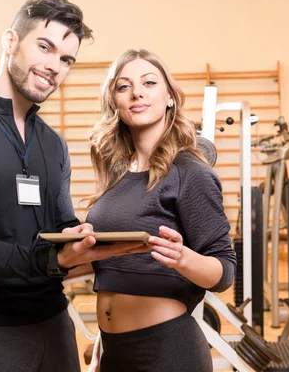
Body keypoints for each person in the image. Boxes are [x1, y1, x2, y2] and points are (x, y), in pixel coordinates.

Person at [0, 0, 146, 372]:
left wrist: (88, 239)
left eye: (67, 59)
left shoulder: (53, 144)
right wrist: (50, 258)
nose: (54, 66)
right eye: (45, 47)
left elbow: (61, 223)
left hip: (54, 326)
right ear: (10, 41)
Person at [85, 48, 237, 372]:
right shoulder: (117, 173)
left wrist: (183, 258)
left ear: (170, 97)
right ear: (115, 102)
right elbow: (118, 268)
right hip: (113, 351)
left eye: (149, 82)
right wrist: (103, 339)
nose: (137, 92)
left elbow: (225, 271)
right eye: (123, 86)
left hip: (166, 352)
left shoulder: (189, 172)